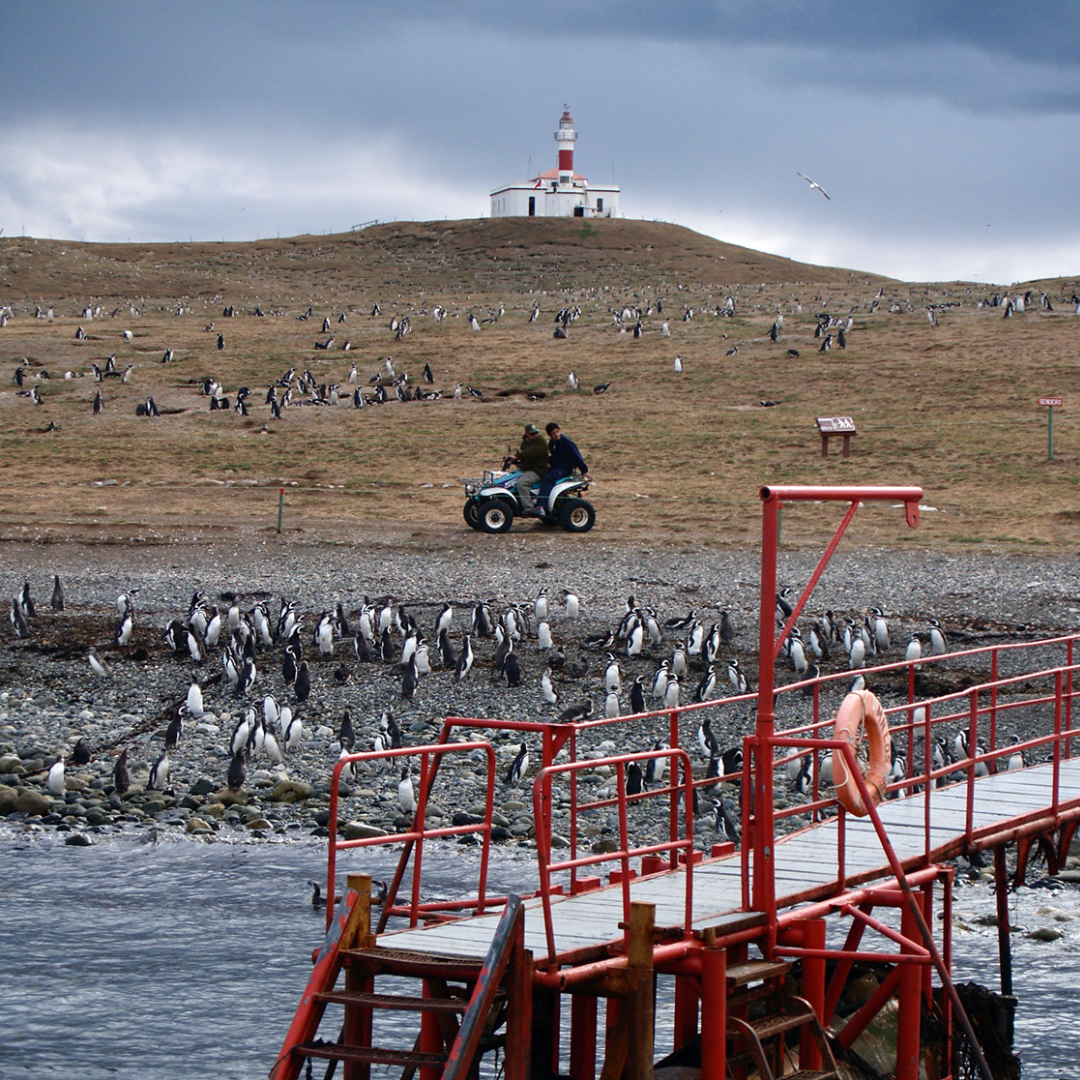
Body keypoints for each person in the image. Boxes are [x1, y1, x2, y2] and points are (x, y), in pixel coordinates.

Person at [536, 422, 591, 507]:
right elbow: (555, 458)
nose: (556, 434)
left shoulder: (567, 443)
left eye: (557, 431)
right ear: (550, 435)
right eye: (553, 433)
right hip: (557, 468)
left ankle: (541, 505)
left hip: (565, 469)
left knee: (548, 479)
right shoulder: (552, 444)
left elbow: (577, 457)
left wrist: (584, 471)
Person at [510, 423, 549, 516]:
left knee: (522, 483)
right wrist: (518, 462)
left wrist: (516, 456)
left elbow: (531, 452)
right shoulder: (525, 442)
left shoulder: (541, 441)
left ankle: (529, 508)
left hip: (538, 470)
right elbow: (526, 456)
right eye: (532, 433)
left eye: (536, 433)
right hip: (527, 468)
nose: (535, 435)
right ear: (526, 433)